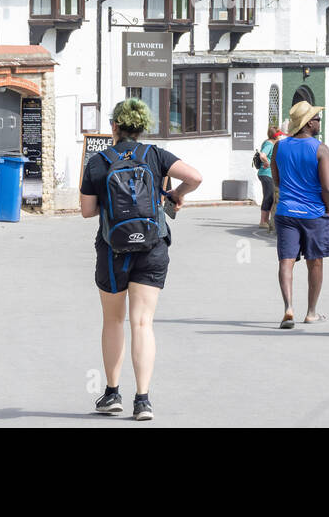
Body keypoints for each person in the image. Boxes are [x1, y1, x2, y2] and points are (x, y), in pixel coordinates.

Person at [80, 98, 202, 420]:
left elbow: (86, 210)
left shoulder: (98, 161)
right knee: (143, 322)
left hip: (112, 249)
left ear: (114, 128)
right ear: (142, 127)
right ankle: (143, 400)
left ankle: (112, 394)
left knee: (112, 320)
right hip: (152, 247)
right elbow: (196, 177)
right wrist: (176, 195)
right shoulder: (155, 155)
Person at [272, 100, 329, 329]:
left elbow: (276, 180)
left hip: (286, 211)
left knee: (286, 261)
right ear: (308, 124)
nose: (319, 122)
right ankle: (311, 312)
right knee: (315, 262)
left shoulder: (280, 146)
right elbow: (328, 187)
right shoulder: (321, 148)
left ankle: (288, 307)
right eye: (317, 119)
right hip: (314, 213)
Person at [255, 127, 282, 231]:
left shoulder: (270, 143)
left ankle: (268, 220)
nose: (280, 137)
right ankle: (263, 221)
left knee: (270, 197)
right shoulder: (269, 144)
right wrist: (267, 162)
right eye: (279, 135)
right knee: (268, 197)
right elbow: (262, 155)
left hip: (268, 174)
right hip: (266, 174)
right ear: (276, 136)